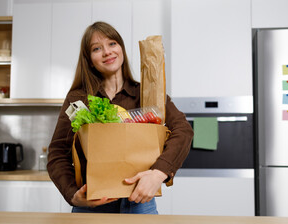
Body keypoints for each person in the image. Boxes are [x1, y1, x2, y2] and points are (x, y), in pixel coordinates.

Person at [47, 21, 193, 214]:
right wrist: (72, 194)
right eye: (97, 48)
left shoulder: (147, 92)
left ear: (122, 49)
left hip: (140, 203)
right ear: (90, 59)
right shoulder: (78, 99)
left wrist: (159, 173)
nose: (107, 52)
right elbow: (58, 152)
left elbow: (183, 130)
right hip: (93, 205)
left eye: (112, 44)